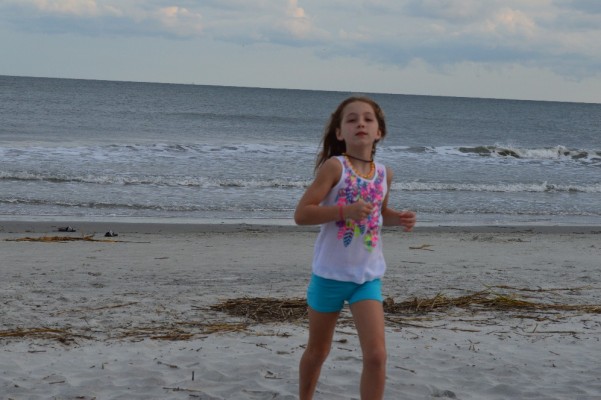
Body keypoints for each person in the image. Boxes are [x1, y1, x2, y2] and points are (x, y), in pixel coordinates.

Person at [294, 96, 416, 400]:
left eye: (367, 119)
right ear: (339, 132)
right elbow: (302, 214)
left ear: (379, 132)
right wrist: (343, 211)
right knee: (318, 351)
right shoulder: (334, 168)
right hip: (329, 276)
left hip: (367, 277)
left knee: (376, 356)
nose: (360, 123)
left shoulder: (384, 174)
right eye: (351, 119)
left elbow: (378, 214)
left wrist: (398, 218)